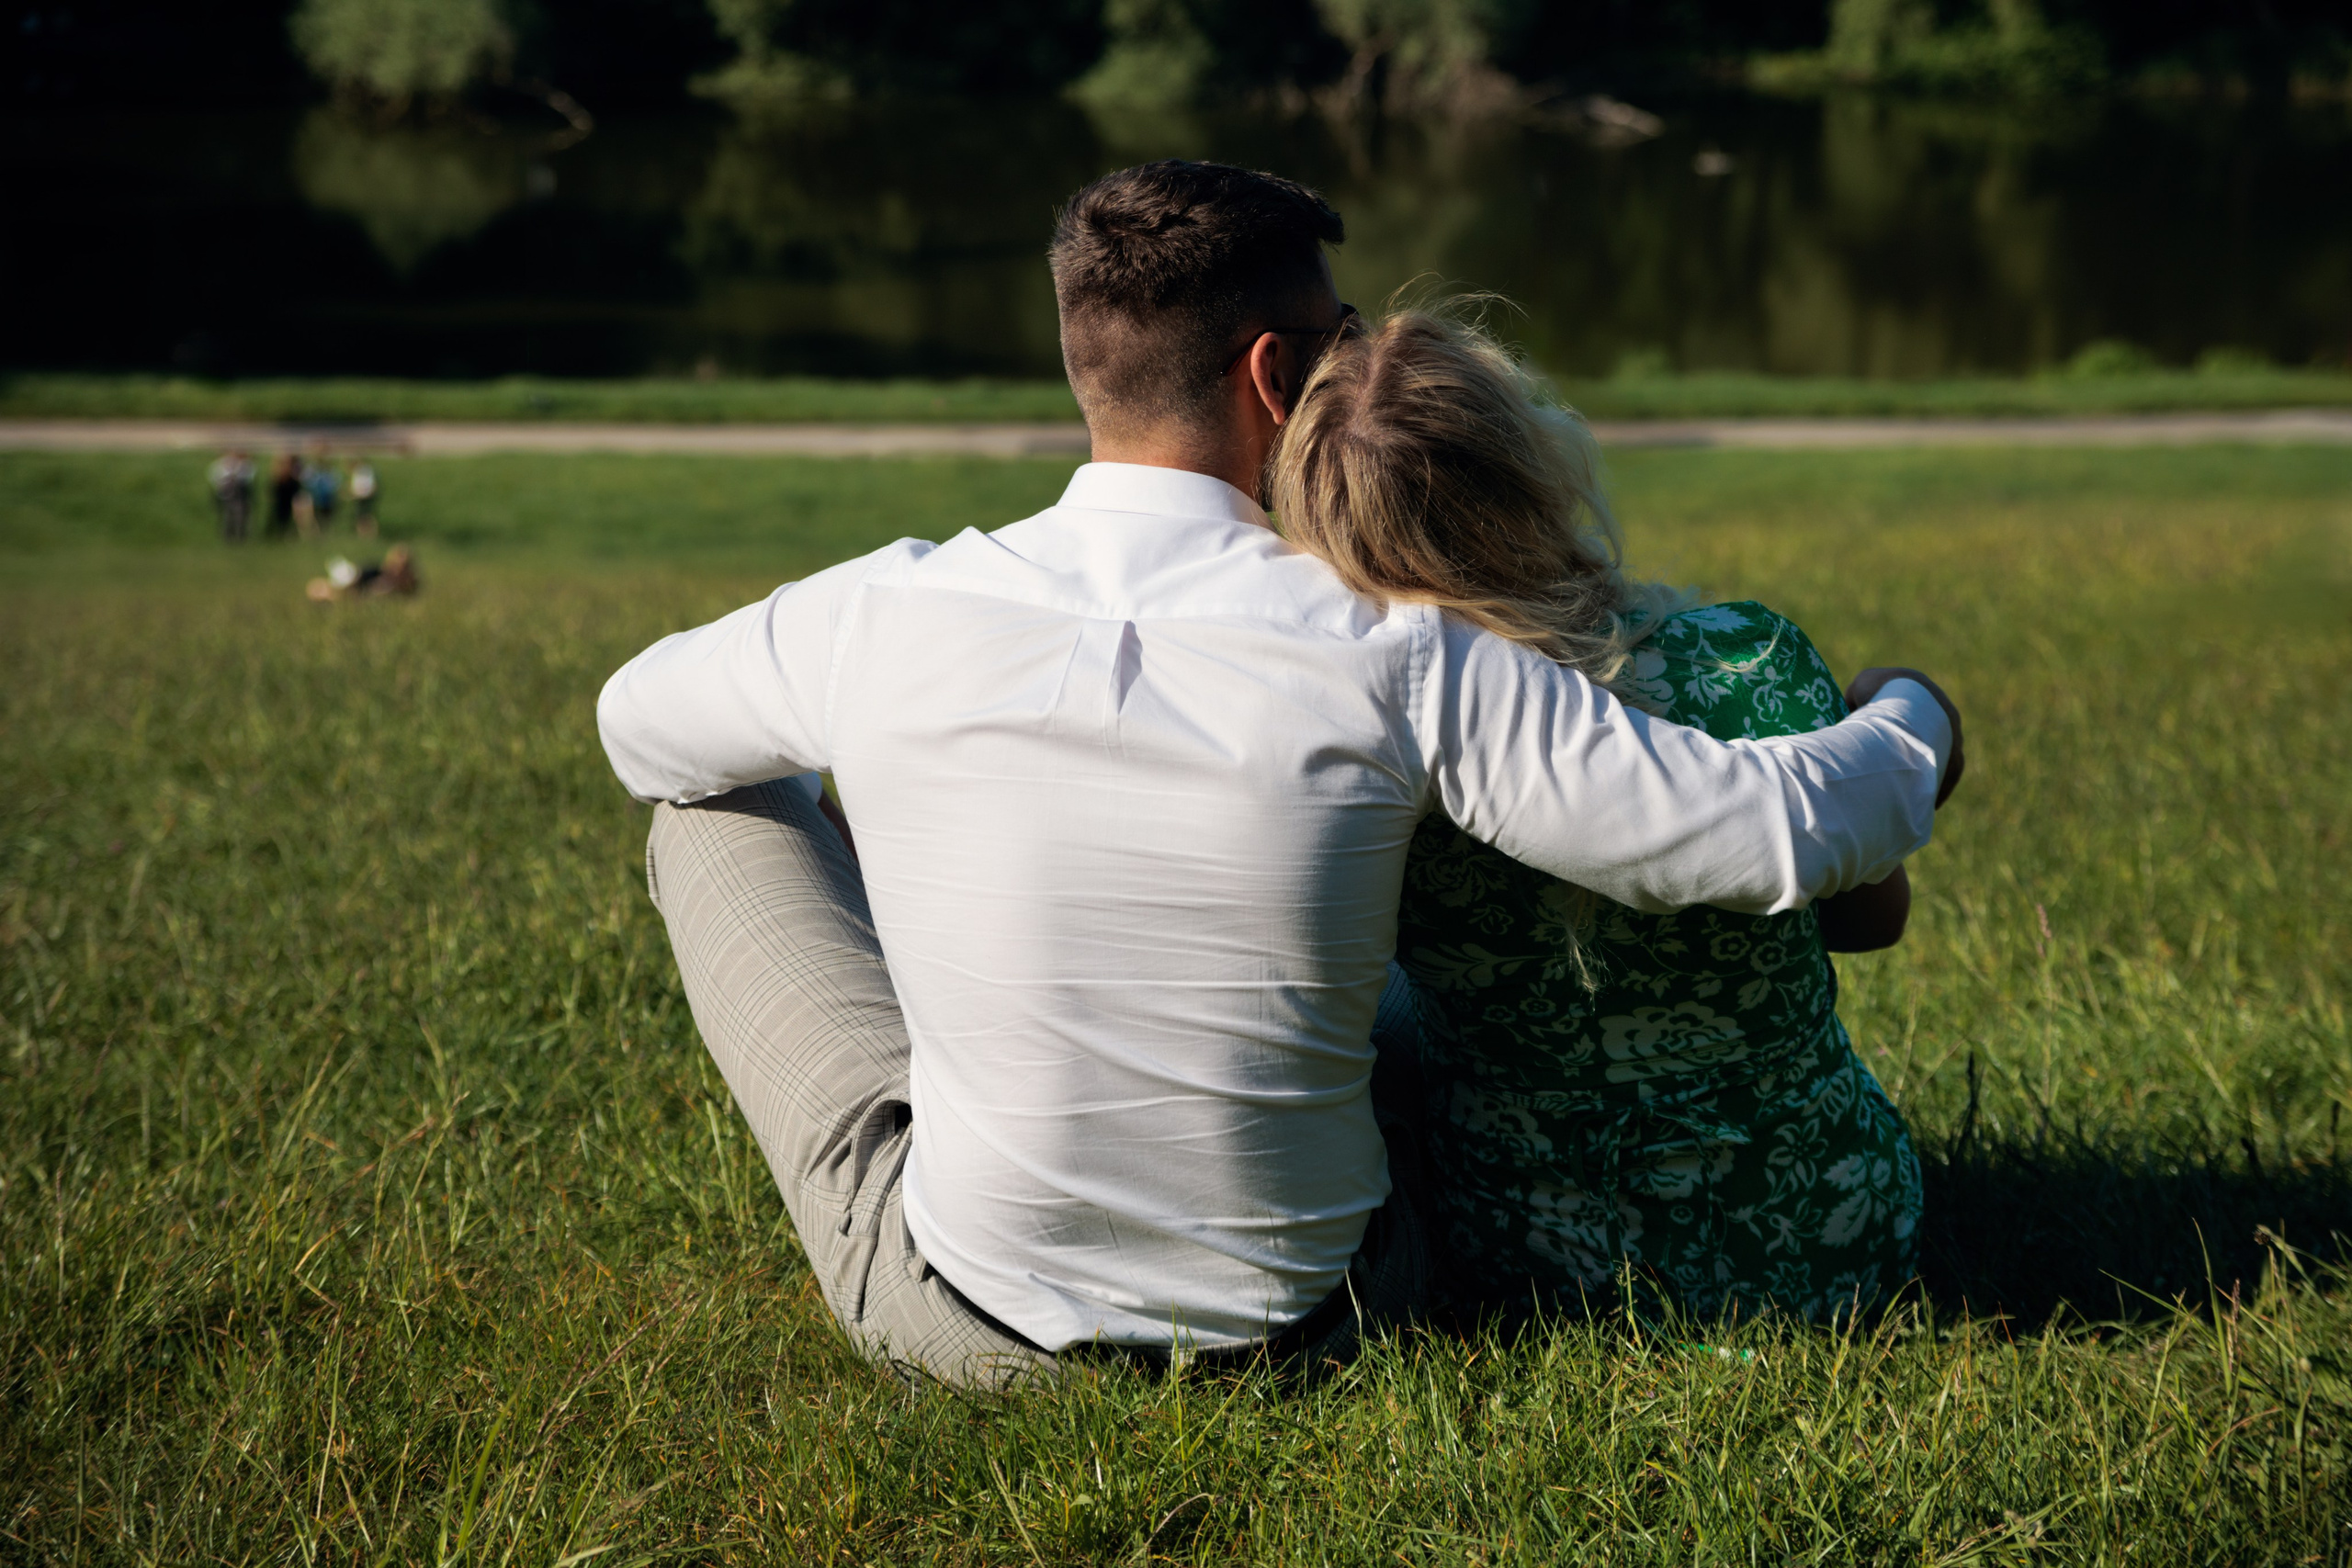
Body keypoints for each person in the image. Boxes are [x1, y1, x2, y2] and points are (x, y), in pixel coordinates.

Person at [595, 161, 1962, 1388]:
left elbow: (636, 724)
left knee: (708, 805)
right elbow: (1765, 832)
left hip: (971, 1319)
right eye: (1344, 340)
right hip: (1324, 1316)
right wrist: (1917, 715)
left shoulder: (884, 610)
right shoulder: (1395, 647)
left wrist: (895, 792)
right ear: (1273, 376)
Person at [1271, 310, 1936, 1325]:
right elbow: (1866, 920)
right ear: (1534, 463)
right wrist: (1898, 701)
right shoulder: (1746, 657)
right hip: (1823, 1241)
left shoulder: (1360, 725)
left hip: (1519, 1259)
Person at [209, 449, 254, 543]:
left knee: (241, 515)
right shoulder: (221, 464)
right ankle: (229, 536)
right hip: (227, 494)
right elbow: (216, 478)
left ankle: (241, 536)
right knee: (228, 516)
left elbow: (248, 477)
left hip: (240, 494)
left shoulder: (243, 465)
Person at [267, 454, 302, 541]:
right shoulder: (279, 479)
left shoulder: (293, 480)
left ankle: (287, 534)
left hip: (289, 501)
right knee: (278, 517)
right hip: (281, 502)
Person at [350, 460, 379, 537]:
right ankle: (365, 533)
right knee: (364, 516)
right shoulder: (367, 471)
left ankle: (366, 533)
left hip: (364, 496)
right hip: (363, 496)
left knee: (364, 516)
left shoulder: (362, 472)